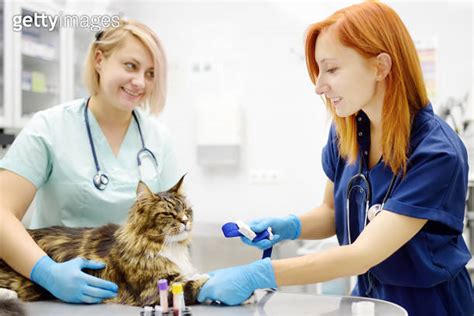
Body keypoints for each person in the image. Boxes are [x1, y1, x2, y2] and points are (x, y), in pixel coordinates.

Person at [197, 2, 473, 315]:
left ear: (380, 66)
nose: (318, 87)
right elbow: (332, 211)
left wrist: (259, 275)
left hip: (429, 305)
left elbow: (362, 254)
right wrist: (289, 226)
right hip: (368, 299)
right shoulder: (348, 131)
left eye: (331, 69)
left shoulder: (436, 152)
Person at [0, 19, 181, 304]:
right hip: (50, 295)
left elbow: (176, 229)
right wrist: (47, 272)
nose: (140, 82)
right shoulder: (49, 127)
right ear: (99, 59)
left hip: (131, 297)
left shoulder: (158, 138)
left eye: (150, 73)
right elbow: (1, 214)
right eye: (131, 66)